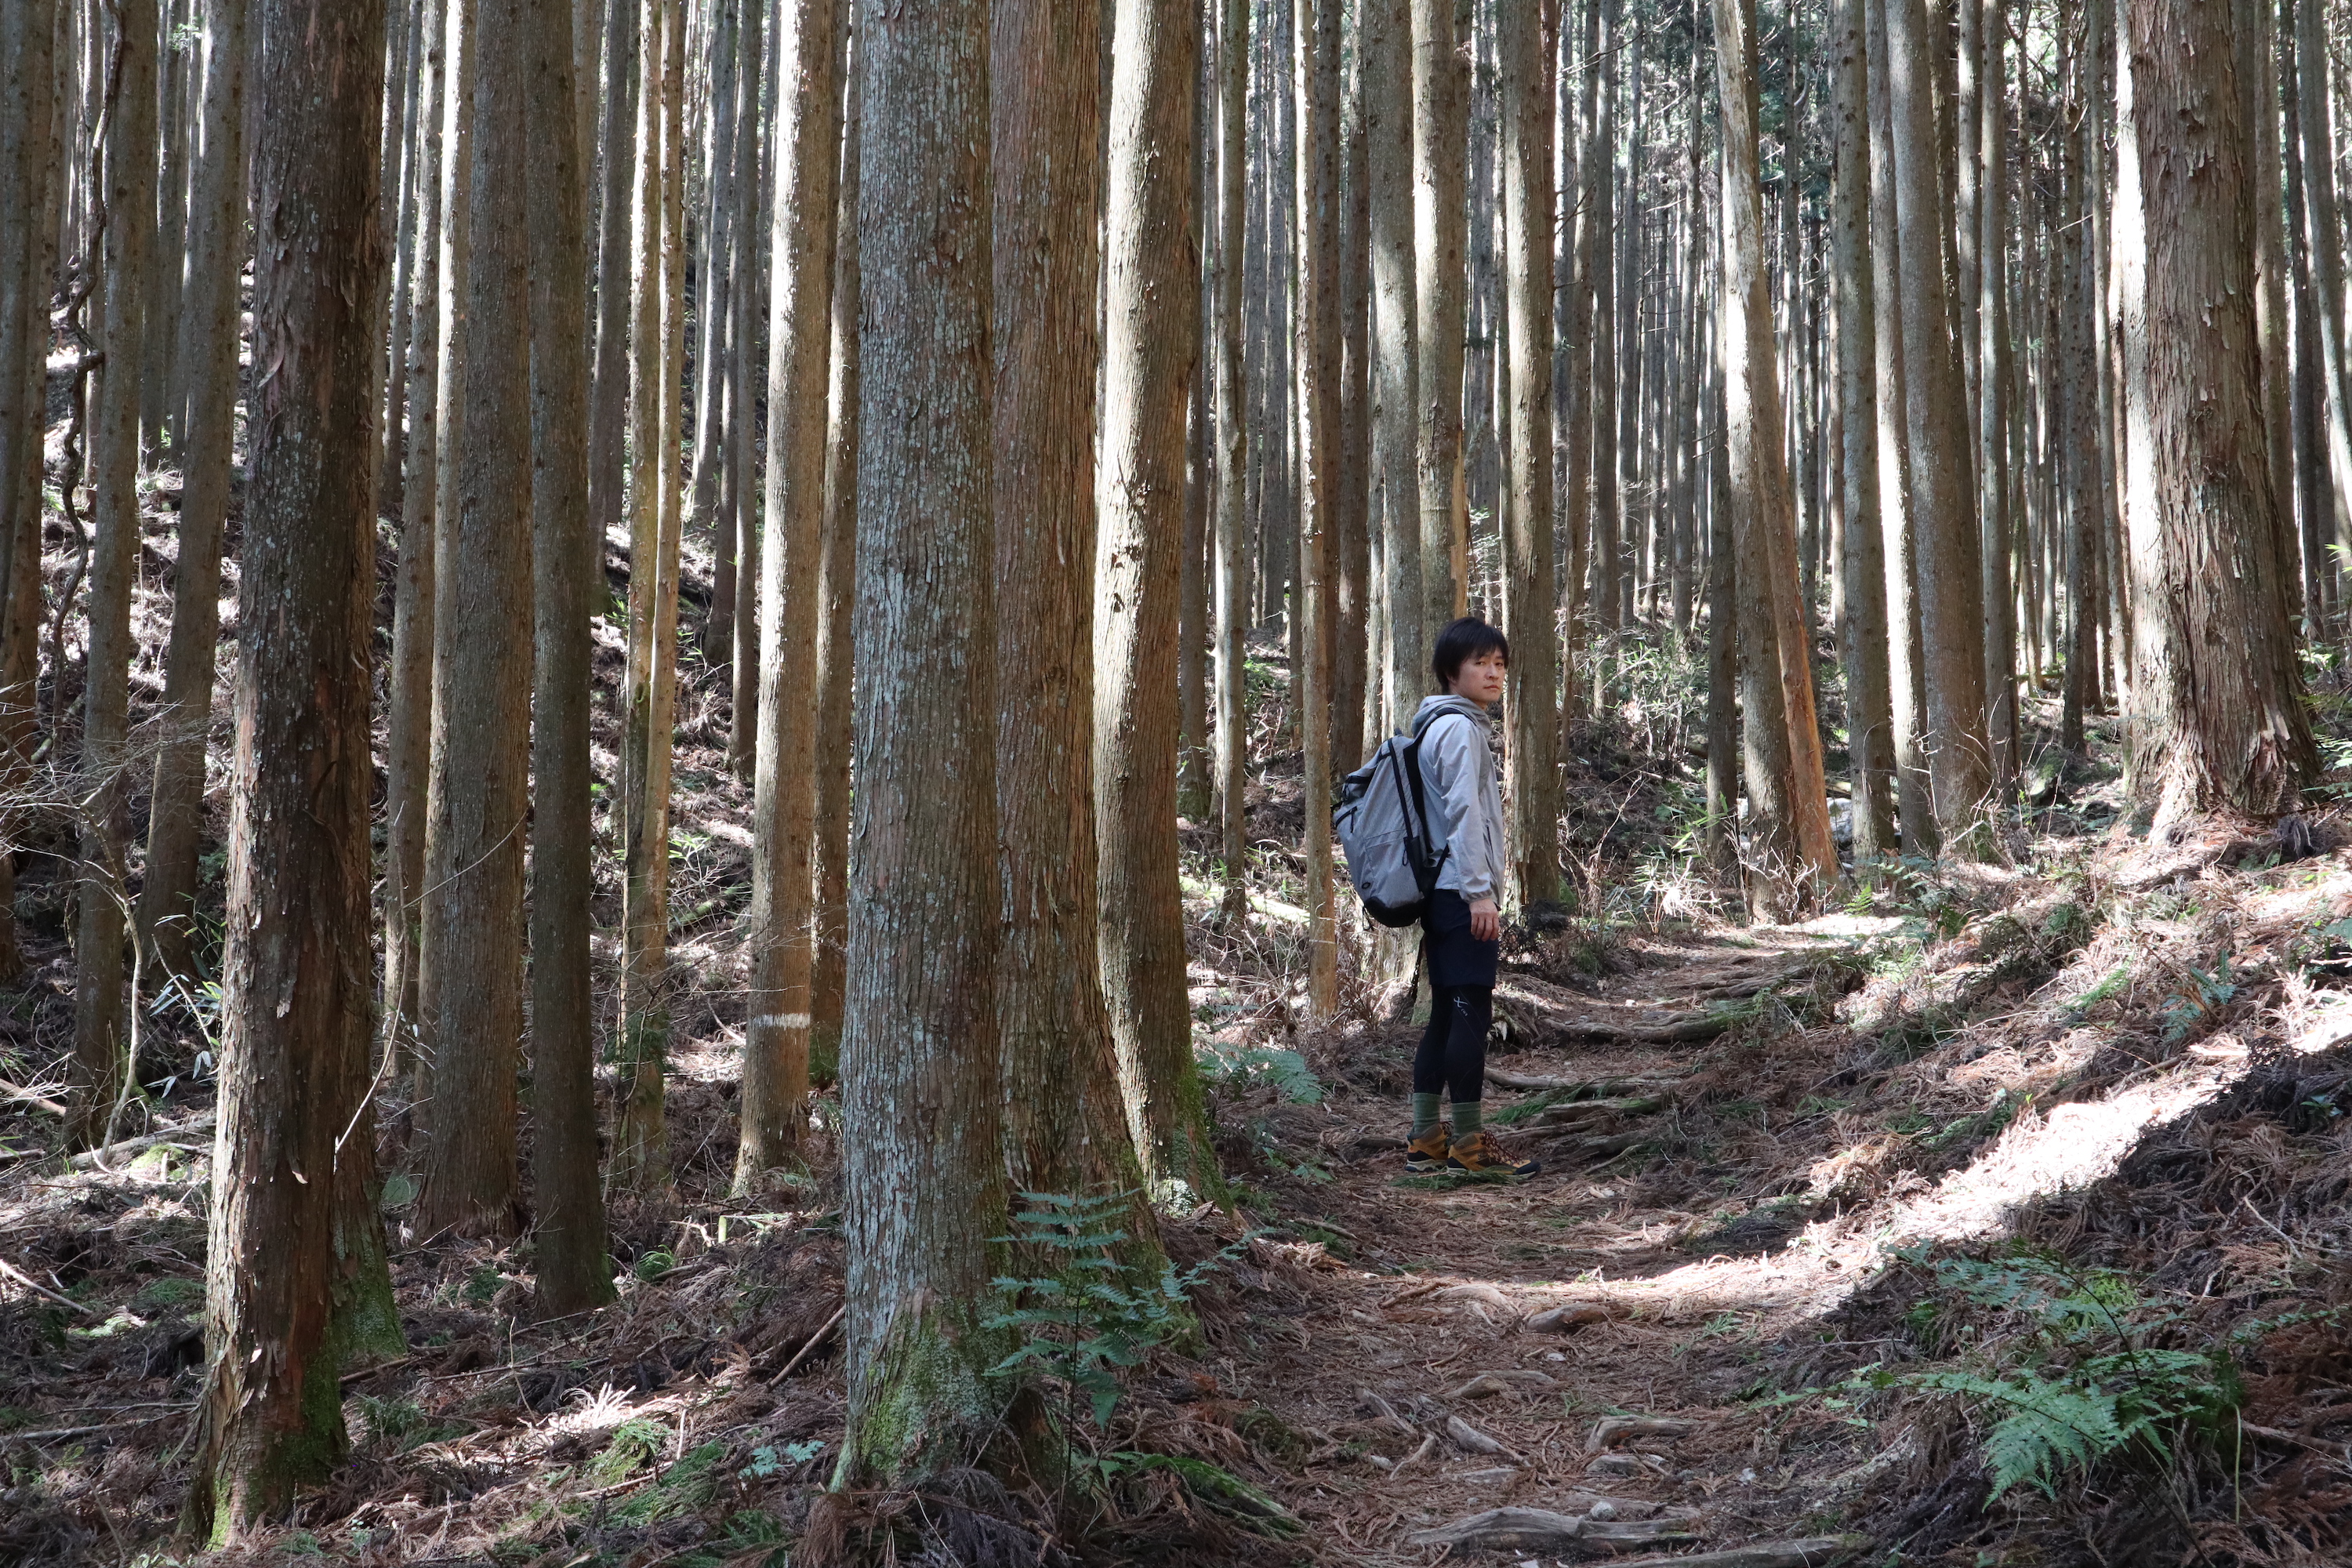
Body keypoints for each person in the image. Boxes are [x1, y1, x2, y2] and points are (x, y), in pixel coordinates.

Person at [1403, 617, 1541, 1178]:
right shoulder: (1459, 730)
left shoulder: (1434, 726)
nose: (1492, 673)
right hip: (1461, 892)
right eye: (1480, 662)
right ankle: (1468, 1146)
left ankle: (1426, 1139)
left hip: (1441, 890)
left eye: (1499, 663)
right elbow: (1464, 813)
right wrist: (1480, 894)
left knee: (1445, 1012)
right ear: (1449, 672)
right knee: (1469, 1010)